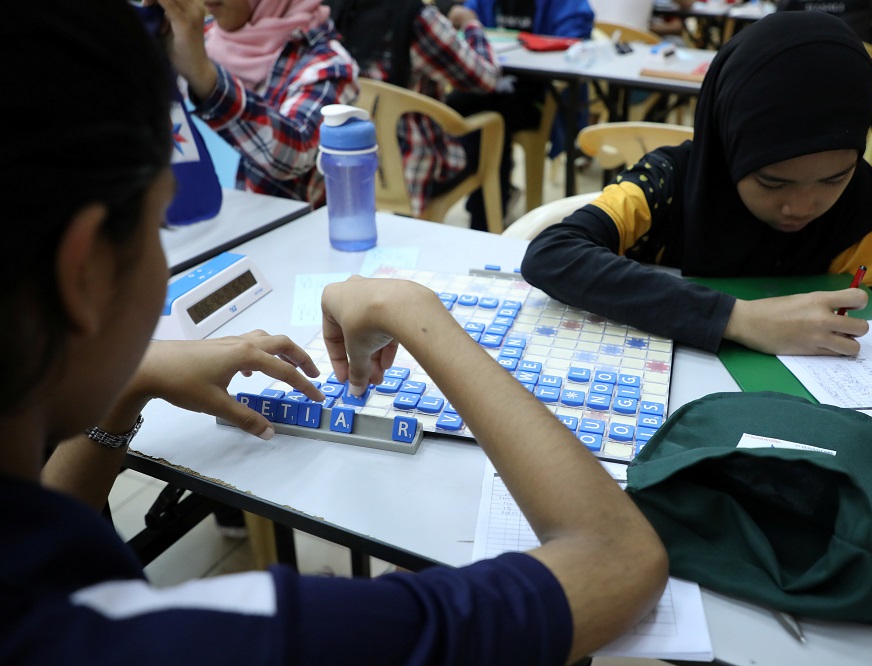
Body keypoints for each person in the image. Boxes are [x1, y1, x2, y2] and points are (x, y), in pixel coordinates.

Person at [2, 2, 668, 662]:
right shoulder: (249, 636)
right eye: (159, 227)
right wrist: (415, 311)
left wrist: (129, 385)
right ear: (84, 274)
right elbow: (620, 560)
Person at [521, 11, 872, 357]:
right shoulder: (668, 182)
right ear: (728, 145)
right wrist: (738, 319)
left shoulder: (857, 203)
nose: (801, 206)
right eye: (771, 182)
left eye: (834, 179)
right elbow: (553, 254)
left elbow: (870, 318)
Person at [150, 0, 357, 207]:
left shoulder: (329, 64)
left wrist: (204, 76)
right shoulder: (201, 36)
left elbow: (292, 154)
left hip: (278, 234)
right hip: (195, 220)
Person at [326, 0, 501, 216]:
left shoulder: (328, 10)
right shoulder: (416, 17)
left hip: (343, 169)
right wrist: (471, 24)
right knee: (494, 117)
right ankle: (488, 227)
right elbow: (485, 78)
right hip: (409, 173)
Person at [447, 0, 595, 231]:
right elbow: (468, 22)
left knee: (490, 114)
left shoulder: (566, 5)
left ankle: (488, 209)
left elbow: (574, 36)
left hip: (537, 89)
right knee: (463, 105)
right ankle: (488, 204)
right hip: (493, 80)